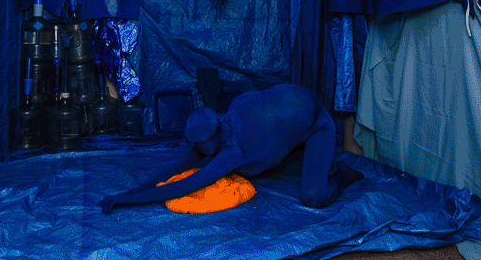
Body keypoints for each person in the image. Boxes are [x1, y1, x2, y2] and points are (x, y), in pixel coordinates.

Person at [99, 84, 364, 214]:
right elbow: (175, 169)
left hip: (316, 123)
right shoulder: (227, 117)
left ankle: (344, 173)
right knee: (264, 159)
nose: (195, 150)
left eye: (200, 145)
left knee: (314, 196)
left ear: (213, 133)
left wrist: (127, 202)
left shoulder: (234, 152)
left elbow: (182, 186)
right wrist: (128, 192)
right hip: (295, 101)